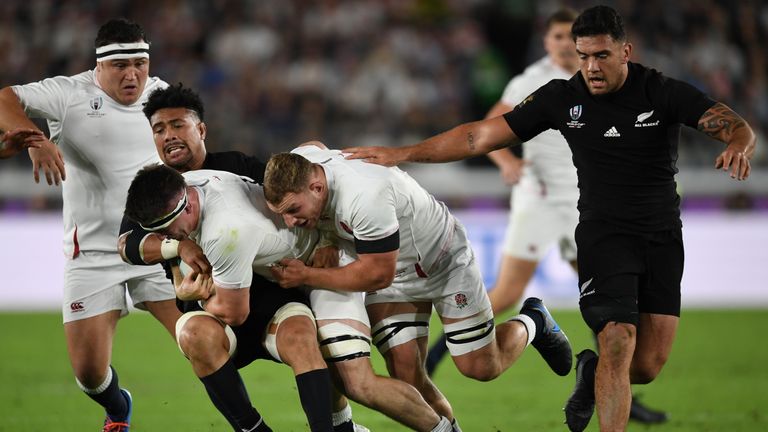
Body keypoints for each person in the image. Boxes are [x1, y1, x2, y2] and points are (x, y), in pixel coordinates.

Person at [343, 5, 756, 432]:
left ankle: (590, 369)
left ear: (625, 51)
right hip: (603, 235)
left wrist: (739, 146)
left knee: (646, 366)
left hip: (662, 237)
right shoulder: (561, 97)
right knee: (618, 339)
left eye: (601, 56)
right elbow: (478, 136)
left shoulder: (662, 92)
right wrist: (402, 154)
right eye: (584, 56)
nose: (591, 68)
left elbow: (734, 125)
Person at [119, 84, 452, 432]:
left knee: (334, 363)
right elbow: (127, 244)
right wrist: (179, 247)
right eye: (159, 129)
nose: (169, 136)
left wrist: (324, 238)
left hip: (276, 292)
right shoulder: (156, 192)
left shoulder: (233, 183)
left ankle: (343, 427)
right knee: (194, 335)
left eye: (178, 125)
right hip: (227, 299)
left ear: (200, 129)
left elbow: (296, 184)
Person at [422, 8, 669, 424]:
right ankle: (431, 362)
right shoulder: (530, 81)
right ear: (548, 42)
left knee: (609, 303)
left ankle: (607, 378)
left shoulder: (603, 80)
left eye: (563, 38)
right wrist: (506, 164)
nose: (559, 45)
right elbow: (488, 127)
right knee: (503, 296)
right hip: (537, 200)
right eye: (554, 38)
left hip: (584, 202)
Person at [262, 143, 573, 427]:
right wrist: (329, 237)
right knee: (409, 380)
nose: (290, 222)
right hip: (395, 276)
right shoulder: (304, 163)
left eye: (293, 210)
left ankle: (534, 320)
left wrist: (306, 275)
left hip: (444, 261)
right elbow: (314, 145)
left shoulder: (364, 196)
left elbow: (375, 274)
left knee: (480, 367)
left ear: (317, 187)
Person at [0, 19, 180, 431]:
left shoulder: (162, 97)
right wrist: (34, 138)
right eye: (120, 65)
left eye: (140, 62)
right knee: (89, 375)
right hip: (93, 256)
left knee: (203, 345)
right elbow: (5, 96)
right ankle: (118, 408)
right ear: (99, 66)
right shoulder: (68, 94)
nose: (132, 73)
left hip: (153, 249)